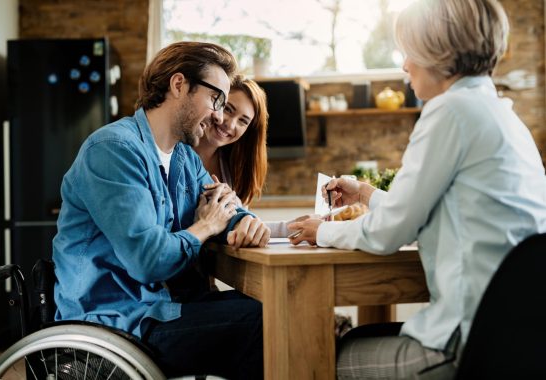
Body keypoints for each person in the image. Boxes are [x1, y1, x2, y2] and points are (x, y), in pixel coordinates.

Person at [288, 0, 546, 378]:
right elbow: (420, 210)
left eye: (409, 51)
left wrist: (321, 230)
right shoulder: (500, 115)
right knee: (353, 336)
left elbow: (389, 232)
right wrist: (365, 193)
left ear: (438, 51)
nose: (404, 65)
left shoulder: (450, 111)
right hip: (515, 338)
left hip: (466, 344)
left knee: (315, 354)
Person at [52, 41, 268, 379]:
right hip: (118, 324)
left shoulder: (183, 158)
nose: (218, 115)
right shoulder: (114, 150)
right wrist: (205, 226)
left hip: (161, 310)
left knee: (272, 311)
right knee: (264, 324)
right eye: (217, 99)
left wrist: (247, 222)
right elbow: (148, 261)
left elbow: (225, 206)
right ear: (179, 84)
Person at [193, 75, 294, 237]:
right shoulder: (174, 155)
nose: (230, 125)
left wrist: (292, 228)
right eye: (228, 109)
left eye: (243, 121)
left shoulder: (233, 168)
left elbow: (240, 227)